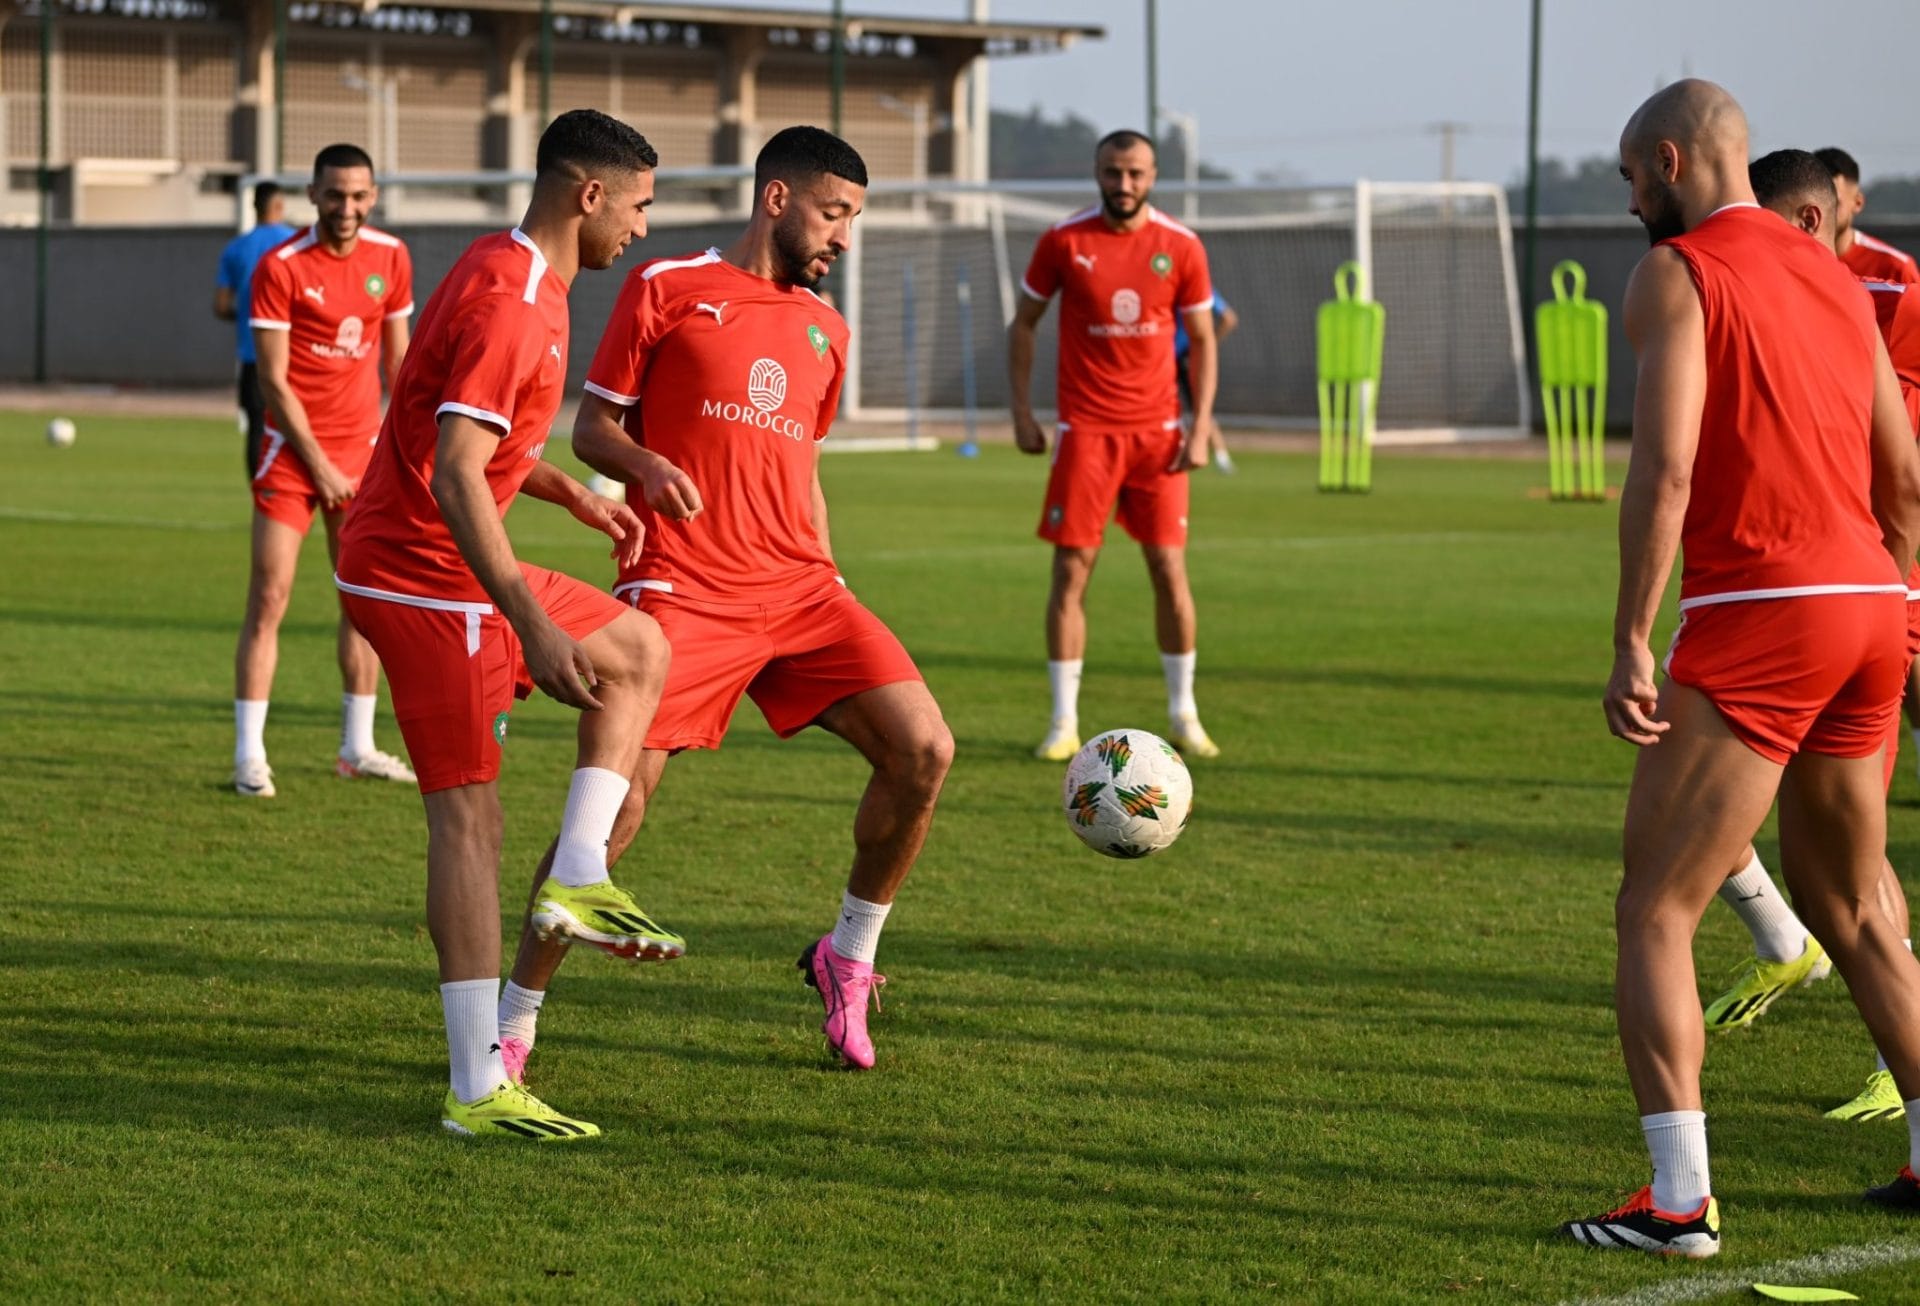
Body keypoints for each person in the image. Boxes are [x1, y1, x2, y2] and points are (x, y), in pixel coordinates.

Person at [496, 125, 953, 1079]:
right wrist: (644, 464)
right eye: (835, 214)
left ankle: (849, 957)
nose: (844, 238)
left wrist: (825, 568)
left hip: (801, 591)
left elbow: (803, 467)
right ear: (778, 200)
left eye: (855, 220)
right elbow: (592, 428)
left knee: (924, 750)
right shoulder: (667, 287)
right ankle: (512, 1017)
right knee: (611, 819)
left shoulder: (829, 330)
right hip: (683, 590)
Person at [1562, 81, 1920, 1258]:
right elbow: (1904, 478)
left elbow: (1663, 471)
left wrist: (1628, 638)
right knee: (1851, 899)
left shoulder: (1678, 274)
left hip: (1767, 611)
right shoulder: (1835, 265)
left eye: (1629, 178)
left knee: (1655, 907)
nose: (1628, 201)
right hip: (1870, 607)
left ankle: (1677, 1202)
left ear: (1670, 160)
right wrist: (1897, 616)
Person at [334, 109, 674, 1141]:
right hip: (419, 575)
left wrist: (572, 496)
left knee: (639, 647)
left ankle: (577, 870)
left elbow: (471, 431)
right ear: (590, 194)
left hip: (440, 559)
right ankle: (477, 1086)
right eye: (641, 205)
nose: (644, 228)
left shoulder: (519, 269)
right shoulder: (517, 302)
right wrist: (526, 617)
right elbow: (451, 470)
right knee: (470, 820)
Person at [1692, 150, 1920, 1128]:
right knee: (1756, 822)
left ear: (1819, 214)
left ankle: (1891, 1057)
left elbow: (1898, 463)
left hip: (1865, 577)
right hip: (1801, 581)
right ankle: (1787, 942)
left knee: (1852, 856)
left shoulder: (1882, 287)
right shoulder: (1763, 279)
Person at [1009, 129, 1221, 763]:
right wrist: (1021, 411)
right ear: (1096, 173)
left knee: (1169, 569)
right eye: (1111, 172)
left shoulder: (1181, 246)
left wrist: (1200, 423)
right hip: (1085, 433)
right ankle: (1062, 722)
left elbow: (1205, 340)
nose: (1122, 185)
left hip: (1158, 436)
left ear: (1153, 175)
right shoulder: (1063, 241)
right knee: (1071, 572)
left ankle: (1185, 712)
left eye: (1134, 173)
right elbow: (1024, 323)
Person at [236, 144, 415, 797]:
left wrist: (409, 448)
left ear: (373, 196)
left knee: (362, 603)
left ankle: (357, 746)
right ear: (312, 194)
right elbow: (274, 385)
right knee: (270, 598)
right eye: (335, 195)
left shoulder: (391, 257)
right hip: (292, 457)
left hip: (362, 459)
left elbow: (401, 368)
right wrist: (319, 464)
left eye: (359, 196)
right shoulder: (279, 266)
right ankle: (248, 754)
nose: (347, 208)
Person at [214, 181, 297, 479]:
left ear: (254, 207)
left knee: (258, 428)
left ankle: (264, 491)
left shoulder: (236, 248)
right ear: (279, 206)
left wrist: (250, 318)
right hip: (297, 355)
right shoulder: (296, 243)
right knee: (304, 424)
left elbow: (221, 305)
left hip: (254, 356)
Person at [1816, 147, 1920, 287]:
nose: (1818, 213)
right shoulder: (1789, 262)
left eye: (1833, 203)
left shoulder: (1896, 268)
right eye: (1814, 203)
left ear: (1858, 203)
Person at [1176, 290, 1239, 473]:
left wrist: (1205, 346)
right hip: (1168, 358)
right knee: (1197, 408)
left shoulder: (1200, 289)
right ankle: (1222, 458)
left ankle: (1221, 457)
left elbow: (1229, 319)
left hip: (1180, 357)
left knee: (1201, 408)